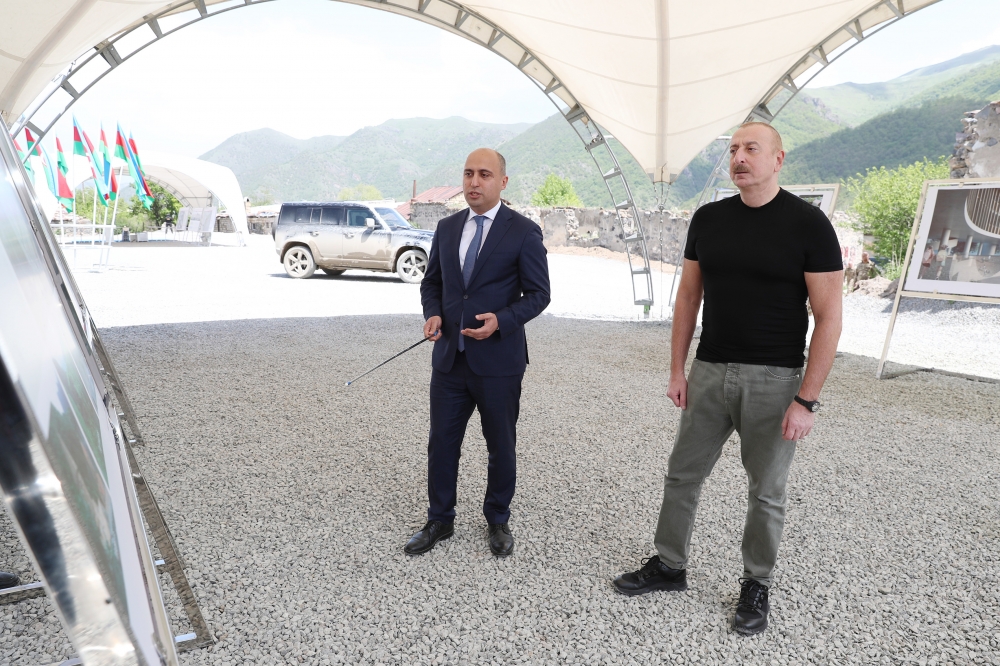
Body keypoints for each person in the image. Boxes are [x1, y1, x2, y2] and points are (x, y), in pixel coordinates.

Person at [613, 122, 843, 635]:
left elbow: (829, 318)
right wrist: (678, 369)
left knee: (766, 491)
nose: (739, 157)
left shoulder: (809, 225)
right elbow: (688, 296)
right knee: (682, 474)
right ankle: (669, 565)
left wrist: (806, 400)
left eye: (751, 149)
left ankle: (756, 584)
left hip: (775, 379)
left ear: (778, 159)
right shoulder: (709, 219)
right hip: (709, 370)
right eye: (734, 149)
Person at [406, 148, 550, 557]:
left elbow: (539, 294)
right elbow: (432, 283)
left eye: (484, 174)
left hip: (499, 362)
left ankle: (498, 519)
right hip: (450, 360)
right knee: (441, 443)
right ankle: (439, 519)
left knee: (500, 445)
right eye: (468, 173)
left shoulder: (524, 232)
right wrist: (433, 313)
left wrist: (501, 320)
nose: (474, 182)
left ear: (502, 181)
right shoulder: (447, 228)